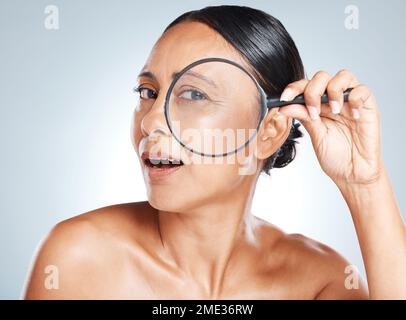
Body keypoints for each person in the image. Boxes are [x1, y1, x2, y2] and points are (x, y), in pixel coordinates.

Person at [23, 5, 406, 299]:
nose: (150, 121)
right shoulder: (78, 259)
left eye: (194, 94)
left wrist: (365, 185)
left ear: (269, 131)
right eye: (147, 92)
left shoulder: (320, 281)